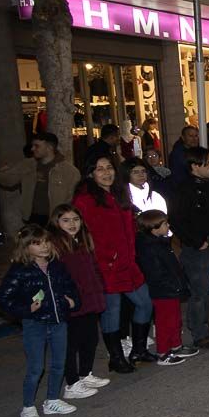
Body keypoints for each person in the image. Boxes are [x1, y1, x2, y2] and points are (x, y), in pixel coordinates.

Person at [73, 156, 154, 372]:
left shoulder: (120, 193)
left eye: (109, 168)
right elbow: (81, 234)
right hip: (105, 266)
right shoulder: (85, 200)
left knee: (145, 303)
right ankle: (116, 357)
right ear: (90, 173)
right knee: (112, 312)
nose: (106, 172)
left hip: (128, 263)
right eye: (99, 169)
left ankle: (138, 349)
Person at [0, 224, 81, 417]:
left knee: (59, 363)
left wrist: (72, 301)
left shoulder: (56, 265)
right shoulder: (20, 270)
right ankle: (28, 406)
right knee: (36, 368)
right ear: (26, 247)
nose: (43, 247)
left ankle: (52, 400)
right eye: (37, 243)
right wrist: (26, 309)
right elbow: (3, 298)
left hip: (58, 320)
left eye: (46, 242)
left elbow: (71, 286)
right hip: (35, 324)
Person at [49, 204, 111, 398]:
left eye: (75, 219)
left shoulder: (83, 241)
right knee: (71, 344)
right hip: (73, 301)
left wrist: (100, 287)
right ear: (56, 223)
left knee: (90, 339)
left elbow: (92, 269)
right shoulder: (56, 246)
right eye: (66, 220)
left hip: (90, 298)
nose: (72, 224)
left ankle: (85, 373)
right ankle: (72, 383)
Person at [169, 147, 209, 349]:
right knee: (201, 291)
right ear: (195, 166)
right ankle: (200, 332)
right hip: (198, 249)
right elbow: (175, 220)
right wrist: (197, 242)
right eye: (208, 163)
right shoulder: (183, 190)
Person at [135, 209, 195, 365]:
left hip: (171, 288)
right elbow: (155, 273)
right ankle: (163, 352)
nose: (168, 226)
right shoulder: (148, 247)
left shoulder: (161, 242)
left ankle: (176, 346)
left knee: (175, 319)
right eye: (165, 224)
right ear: (154, 228)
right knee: (164, 322)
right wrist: (171, 285)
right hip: (162, 291)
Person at [0, 132, 81, 229]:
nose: (32, 149)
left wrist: (65, 218)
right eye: (32, 145)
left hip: (56, 219)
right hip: (32, 217)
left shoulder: (69, 171)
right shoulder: (28, 165)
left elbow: (72, 199)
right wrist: (1, 172)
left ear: (49, 147)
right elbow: (8, 181)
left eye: (37, 146)